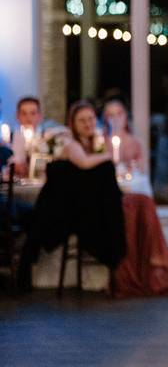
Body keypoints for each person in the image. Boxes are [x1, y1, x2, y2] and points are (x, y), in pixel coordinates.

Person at [18, 100, 126, 290]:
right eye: (81, 120)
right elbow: (84, 163)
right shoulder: (70, 143)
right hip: (64, 212)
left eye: (91, 119)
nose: (87, 124)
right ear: (73, 124)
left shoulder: (95, 142)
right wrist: (109, 157)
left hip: (81, 207)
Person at [8, 97, 61, 177]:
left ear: (40, 116)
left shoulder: (47, 136)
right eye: (24, 113)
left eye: (33, 113)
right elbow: (14, 158)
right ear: (17, 116)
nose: (28, 118)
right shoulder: (12, 137)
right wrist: (16, 165)